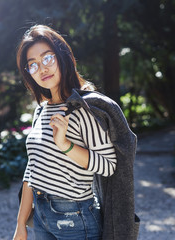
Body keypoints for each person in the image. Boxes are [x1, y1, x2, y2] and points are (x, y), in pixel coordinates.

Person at [13, 25, 138, 240]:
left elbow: (109, 166)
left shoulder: (84, 109)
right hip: (41, 215)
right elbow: (32, 169)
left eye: (47, 58)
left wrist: (65, 145)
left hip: (75, 217)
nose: (41, 69)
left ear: (63, 57)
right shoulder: (41, 109)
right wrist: (20, 224)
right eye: (32, 65)